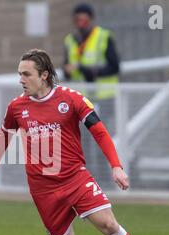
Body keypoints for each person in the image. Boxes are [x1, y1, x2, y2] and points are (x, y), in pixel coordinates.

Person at [0, 49, 168, 235]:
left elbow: (99, 130)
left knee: (108, 224)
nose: (21, 80)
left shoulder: (72, 99)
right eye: (19, 74)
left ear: (44, 75)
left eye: (26, 74)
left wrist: (116, 166)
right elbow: (3, 138)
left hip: (76, 178)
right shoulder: (16, 107)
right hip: (43, 190)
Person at [63, 3, 120, 187]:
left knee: (102, 138)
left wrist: (88, 70)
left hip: (104, 97)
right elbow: (67, 68)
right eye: (77, 19)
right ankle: (88, 178)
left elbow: (114, 66)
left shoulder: (103, 37)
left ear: (90, 19)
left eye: (84, 19)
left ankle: (108, 178)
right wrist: (69, 70)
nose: (80, 23)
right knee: (83, 142)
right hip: (81, 100)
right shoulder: (70, 41)